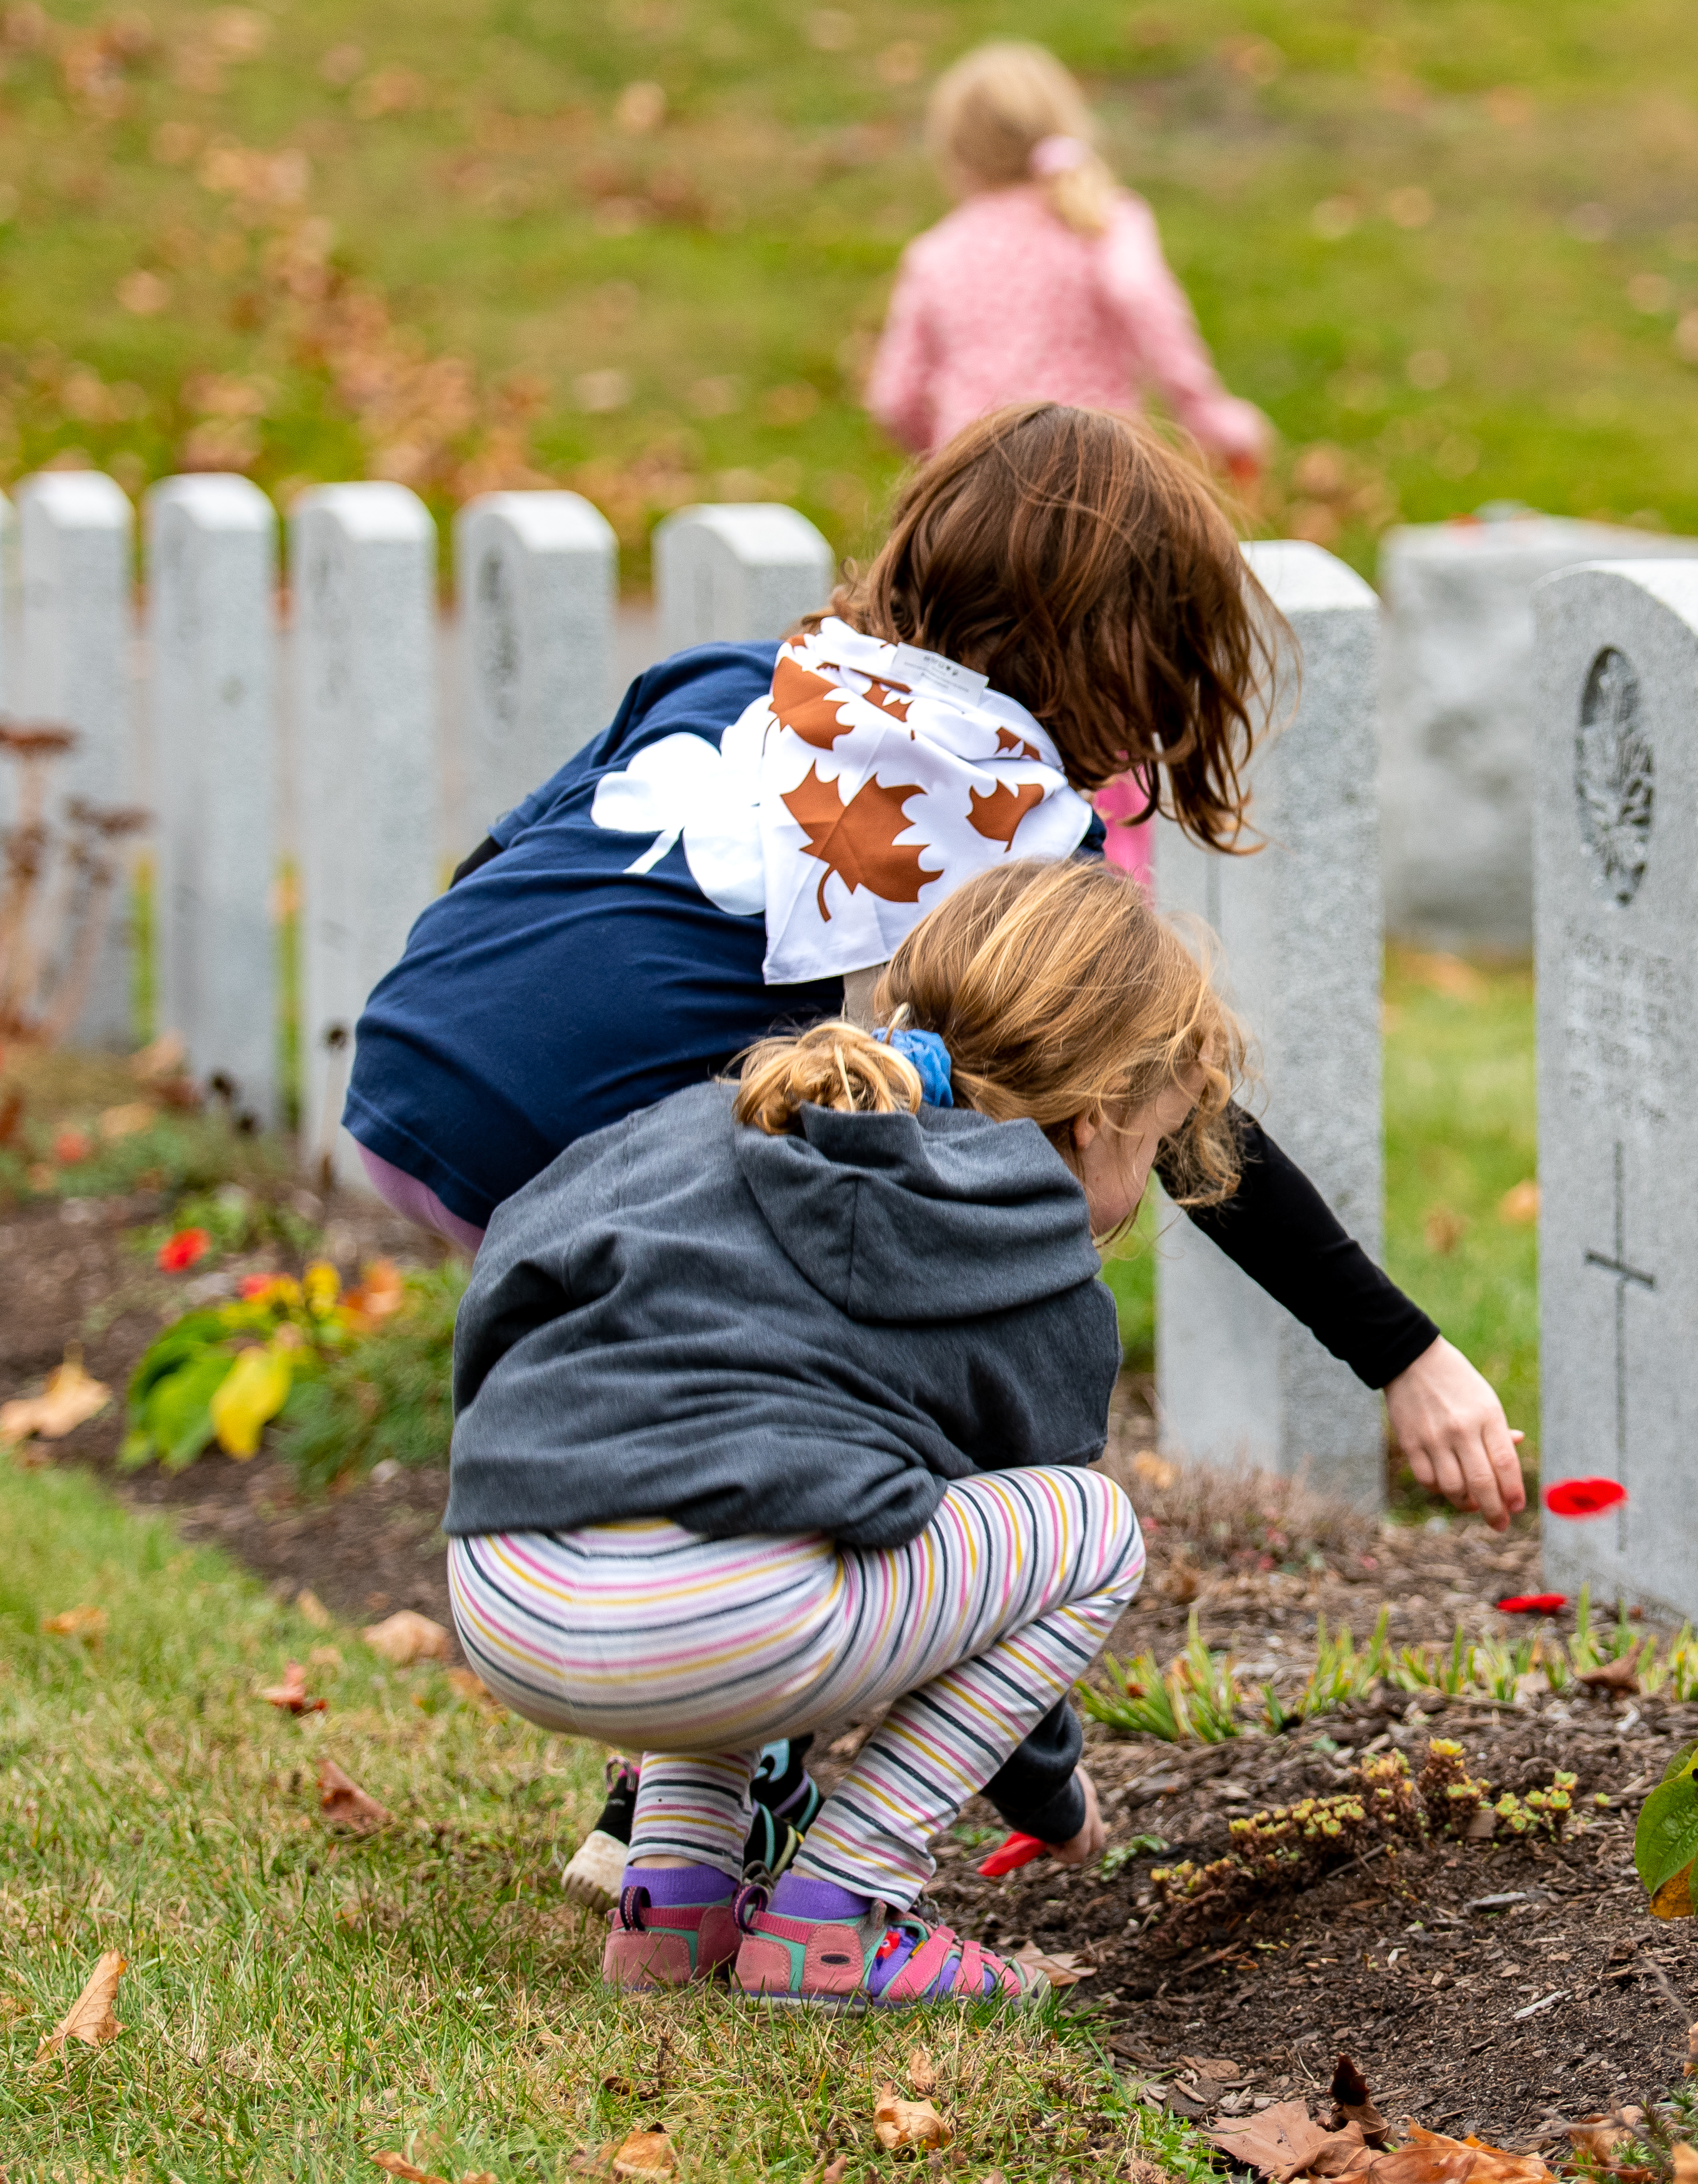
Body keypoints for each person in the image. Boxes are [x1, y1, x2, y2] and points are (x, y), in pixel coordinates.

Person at [342, 406, 1522, 1907]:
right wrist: (1402, 1352)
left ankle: (670, 1808)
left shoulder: (741, 680)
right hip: (592, 1122)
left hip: (424, 1061)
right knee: (848, 1358)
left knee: (721, 1373)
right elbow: (1173, 1110)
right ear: (1121, 656)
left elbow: (507, 858)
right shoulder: (1018, 830)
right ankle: (719, 1788)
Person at [450, 859, 1222, 2002]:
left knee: (739, 1481)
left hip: (501, 1589)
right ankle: (838, 1917)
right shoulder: (1034, 1268)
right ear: (1100, 1112)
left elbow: (505, 1278)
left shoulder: (712, 1121)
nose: (1149, 1174)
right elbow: (1012, 1590)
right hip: (708, 1627)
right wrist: (1054, 1798)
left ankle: (673, 1909)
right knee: (1090, 1528)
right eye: (1157, 1142)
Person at [866, 41, 1276, 885]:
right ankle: (1111, 875)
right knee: (1105, 697)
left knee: (974, 706)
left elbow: (892, 397)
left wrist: (943, 458)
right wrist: (1214, 421)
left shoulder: (939, 254)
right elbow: (1150, 318)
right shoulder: (1102, 227)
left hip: (976, 534)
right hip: (1100, 522)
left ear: (958, 151)